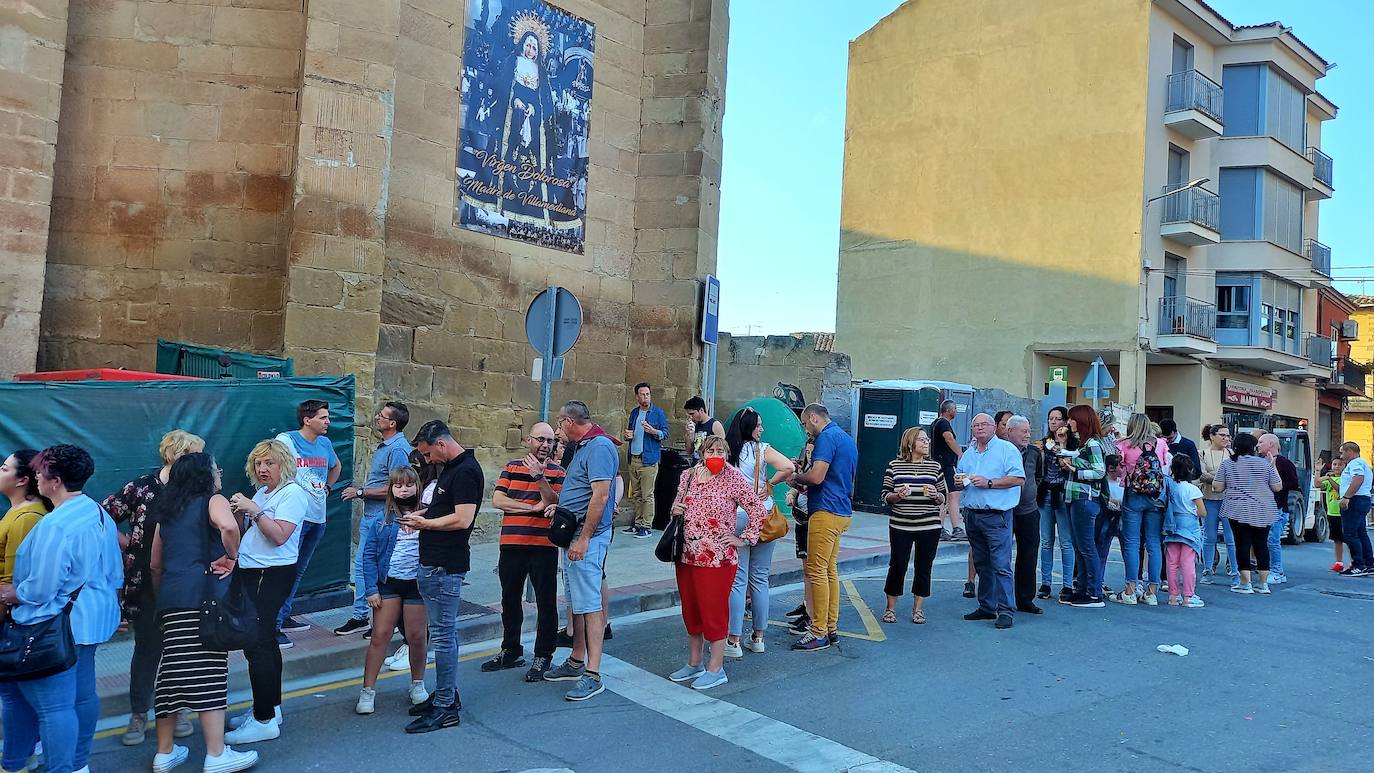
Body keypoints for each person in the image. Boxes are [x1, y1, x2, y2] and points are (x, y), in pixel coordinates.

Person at [0, 444, 122, 773]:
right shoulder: (97, 512)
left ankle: (61, 768)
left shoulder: (56, 525)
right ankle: (78, 764)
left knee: (54, 707)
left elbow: (40, 589)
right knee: (82, 695)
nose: (36, 478)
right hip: (94, 618)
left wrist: (12, 594)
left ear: (55, 481)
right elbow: (114, 570)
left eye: (40, 473)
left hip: (60, 622)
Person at [147, 453, 257, 773]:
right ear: (204, 475)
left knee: (170, 677)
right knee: (208, 672)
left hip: (171, 598)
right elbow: (227, 526)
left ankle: (164, 753)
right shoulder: (213, 500)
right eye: (215, 468)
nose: (219, 473)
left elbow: (156, 563)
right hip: (203, 599)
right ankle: (217, 754)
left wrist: (166, 594)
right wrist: (232, 556)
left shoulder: (167, 510)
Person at [103, 429, 205, 746]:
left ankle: (180, 708)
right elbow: (103, 514)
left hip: (184, 581)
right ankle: (138, 713)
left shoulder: (197, 489)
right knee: (146, 649)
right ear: (173, 455)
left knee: (182, 649)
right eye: (192, 454)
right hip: (146, 582)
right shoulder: (143, 487)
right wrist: (125, 545)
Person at [224, 439, 309, 745]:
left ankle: (264, 720)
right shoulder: (264, 492)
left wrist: (254, 511)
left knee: (258, 643)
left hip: (270, 575)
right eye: (258, 463)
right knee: (263, 642)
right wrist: (240, 513)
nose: (262, 469)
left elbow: (279, 536)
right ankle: (270, 708)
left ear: (283, 464)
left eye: (269, 463)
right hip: (253, 572)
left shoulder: (292, 494)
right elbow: (253, 534)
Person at [666, 436, 768, 689]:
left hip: (717, 558)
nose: (715, 454)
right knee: (691, 610)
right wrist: (675, 510)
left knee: (714, 611)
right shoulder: (688, 475)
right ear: (702, 452)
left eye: (721, 451)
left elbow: (757, 509)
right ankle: (694, 662)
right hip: (686, 553)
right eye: (711, 450)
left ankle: (716, 667)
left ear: (727, 454)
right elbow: (678, 504)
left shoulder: (732, 477)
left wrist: (743, 538)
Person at [405, 421, 483, 731]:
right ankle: (446, 695)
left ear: (441, 444)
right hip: (435, 563)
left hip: (444, 566)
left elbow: (463, 519)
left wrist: (425, 525)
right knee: (442, 634)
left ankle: (445, 705)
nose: (426, 461)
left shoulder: (464, 471)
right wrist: (420, 516)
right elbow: (443, 509)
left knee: (443, 637)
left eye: (427, 454)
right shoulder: (451, 468)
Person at [542, 401, 617, 700]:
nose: (559, 431)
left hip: (586, 539)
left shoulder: (598, 447)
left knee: (590, 606)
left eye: (559, 425)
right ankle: (576, 660)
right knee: (578, 603)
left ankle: (593, 672)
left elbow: (600, 496)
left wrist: (584, 538)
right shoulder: (586, 447)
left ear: (568, 421)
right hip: (573, 535)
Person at [482, 423, 565, 681]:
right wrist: (530, 509)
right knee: (509, 600)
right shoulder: (511, 467)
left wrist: (540, 478)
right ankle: (511, 650)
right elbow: (498, 500)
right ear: (529, 440)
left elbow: (553, 502)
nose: (545, 445)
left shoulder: (558, 472)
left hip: (543, 546)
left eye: (550, 441)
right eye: (541, 439)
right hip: (512, 544)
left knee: (546, 604)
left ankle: (543, 655)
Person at [355, 465, 430, 715]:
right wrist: (370, 590)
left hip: (416, 585)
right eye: (398, 485)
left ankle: (417, 684)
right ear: (391, 489)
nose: (404, 489)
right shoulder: (382, 521)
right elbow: (367, 556)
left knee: (417, 637)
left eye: (409, 484)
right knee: (380, 635)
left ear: (417, 486)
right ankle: (368, 691)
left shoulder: (428, 518)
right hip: (388, 584)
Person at [336, 401, 413, 636]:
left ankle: (376, 619)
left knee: (372, 568)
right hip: (372, 515)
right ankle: (362, 616)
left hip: (382, 516)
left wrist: (360, 492)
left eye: (382, 415)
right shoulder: (386, 446)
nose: (377, 417)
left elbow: (398, 486)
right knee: (363, 567)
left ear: (393, 423)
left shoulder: (398, 449)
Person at [724, 408, 794, 656]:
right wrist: (770, 484)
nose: (761, 429)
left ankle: (733, 640)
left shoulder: (727, 451)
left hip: (737, 516)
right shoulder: (762, 449)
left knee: (738, 580)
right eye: (759, 425)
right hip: (762, 514)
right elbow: (788, 467)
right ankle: (759, 637)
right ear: (749, 428)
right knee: (760, 578)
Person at [789, 403, 858, 650]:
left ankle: (818, 631)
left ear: (815, 418)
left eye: (806, 423)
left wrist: (796, 477)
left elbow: (817, 476)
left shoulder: (826, 438)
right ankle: (830, 627)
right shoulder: (846, 438)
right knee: (829, 571)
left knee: (816, 571)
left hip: (825, 511)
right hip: (841, 510)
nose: (806, 429)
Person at [274, 400, 342, 644]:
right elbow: (273, 468)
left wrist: (329, 487)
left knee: (298, 570)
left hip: (317, 516)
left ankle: (283, 615)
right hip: (294, 518)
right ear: (307, 420)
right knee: (283, 569)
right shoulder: (287, 441)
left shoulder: (325, 443)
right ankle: (273, 625)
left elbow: (336, 466)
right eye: (323, 418)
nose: (328, 422)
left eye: (328, 417)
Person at [955, 414, 1025, 629]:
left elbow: (1018, 479)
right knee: (982, 564)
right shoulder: (969, 452)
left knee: (1001, 565)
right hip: (973, 514)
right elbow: (959, 478)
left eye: (983, 425)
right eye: (975, 425)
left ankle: (1006, 611)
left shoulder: (1006, 450)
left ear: (994, 427)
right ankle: (986, 606)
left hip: (997, 516)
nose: (979, 429)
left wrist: (990, 482)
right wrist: (959, 480)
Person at [880, 427, 947, 625]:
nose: (927, 443)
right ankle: (890, 608)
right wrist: (897, 495)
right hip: (901, 524)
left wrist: (936, 495)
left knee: (924, 567)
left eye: (927, 440)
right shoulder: (894, 466)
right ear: (910, 443)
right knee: (898, 565)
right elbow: (885, 496)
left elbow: (943, 496)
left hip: (929, 525)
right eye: (922, 440)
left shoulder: (935, 467)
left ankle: (918, 609)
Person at [1108, 414, 1169, 606]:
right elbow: (1164, 466)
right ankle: (1152, 592)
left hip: (1133, 495)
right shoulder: (1160, 443)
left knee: (1132, 542)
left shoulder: (1124, 444)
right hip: (1156, 497)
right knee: (1154, 543)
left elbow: (1117, 469)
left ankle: (1131, 590)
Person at [1212, 433, 1282, 594]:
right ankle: (1263, 584)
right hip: (1264, 509)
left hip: (1238, 509)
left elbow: (1218, 487)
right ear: (1252, 447)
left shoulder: (1228, 464)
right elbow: (1277, 486)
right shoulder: (1264, 464)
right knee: (1261, 544)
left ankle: (1245, 583)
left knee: (1242, 544)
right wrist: (1272, 465)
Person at [1061, 405, 1108, 608]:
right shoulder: (1084, 444)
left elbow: (1099, 471)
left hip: (1085, 499)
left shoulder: (1092, 444)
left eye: (1072, 419)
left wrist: (1075, 469)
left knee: (1087, 547)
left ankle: (1094, 592)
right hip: (1077, 498)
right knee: (1081, 547)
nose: (1068, 423)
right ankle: (1082, 589)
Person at [622, 382, 669, 539]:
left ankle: (647, 526)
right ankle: (638, 523)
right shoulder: (635, 413)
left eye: (647, 394)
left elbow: (665, 433)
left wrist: (654, 431)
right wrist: (627, 436)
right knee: (636, 493)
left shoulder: (658, 413)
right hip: (633, 457)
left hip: (648, 459)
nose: (645, 397)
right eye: (642, 394)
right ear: (637, 396)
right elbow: (629, 432)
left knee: (647, 494)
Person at [1037, 410, 1074, 600]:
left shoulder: (1073, 444)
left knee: (1066, 541)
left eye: (1057, 419)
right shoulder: (1043, 444)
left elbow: (1065, 464)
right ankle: (1045, 583)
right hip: (1045, 493)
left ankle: (1067, 584)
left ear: (1066, 422)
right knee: (1046, 541)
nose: (1053, 422)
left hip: (1064, 494)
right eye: (1050, 418)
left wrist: (1062, 443)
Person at [1007, 416, 1042, 614]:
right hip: (1005, 510)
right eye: (1023, 431)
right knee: (1001, 556)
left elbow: (1039, 476)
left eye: (1029, 430)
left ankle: (1026, 599)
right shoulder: (1001, 450)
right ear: (1010, 431)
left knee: (1029, 555)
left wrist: (1030, 492)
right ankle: (998, 597)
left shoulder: (1035, 453)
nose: (1028, 434)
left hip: (1029, 510)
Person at [1197, 424, 1239, 588]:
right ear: (1212, 436)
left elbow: (1235, 475)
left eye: (1228, 436)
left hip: (1229, 500)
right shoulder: (1203, 453)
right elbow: (1201, 475)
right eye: (1222, 435)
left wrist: (1214, 476)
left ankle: (1235, 572)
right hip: (1209, 499)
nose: (1226, 438)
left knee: (1231, 538)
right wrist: (1222, 477)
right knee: (1209, 537)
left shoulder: (1231, 454)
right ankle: (1207, 570)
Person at [1162, 455, 1205, 608]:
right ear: (1190, 470)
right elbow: (1202, 512)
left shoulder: (1170, 487)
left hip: (1171, 526)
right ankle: (1188, 595)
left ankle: (1173, 596)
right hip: (1189, 528)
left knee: (1171, 563)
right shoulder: (1192, 489)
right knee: (1187, 563)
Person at [0, 450, 49, 584]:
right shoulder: (18, 509)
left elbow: (12, 581)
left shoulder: (27, 518)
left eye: (4, 469)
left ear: (22, 480)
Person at [1258, 433, 1299, 585]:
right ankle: (1269, 569)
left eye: (1261, 442)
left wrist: (1276, 486)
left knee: (1272, 541)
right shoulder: (1260, 461)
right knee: (1265, 541)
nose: (1258, 445)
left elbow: (1294, 483)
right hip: (1263, 508)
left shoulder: (1284, 463)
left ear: (1271, 444)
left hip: (1278, 508)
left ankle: (1277, 571)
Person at [783, 438, 815, 634]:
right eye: (808, 452)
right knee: (806, 569)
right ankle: (807, 607)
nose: (810, 455)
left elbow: (812, 485)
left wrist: (796, 484)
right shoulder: (805, 466)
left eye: (813, 452)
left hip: (814, 520)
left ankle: (813, 615)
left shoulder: (819, 469)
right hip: (802, 519)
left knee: (813, 570)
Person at [929, 400, 966, 541]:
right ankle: (944, 528)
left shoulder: (934, 424)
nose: (956, 411)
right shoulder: (944, 423)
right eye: (955, 409)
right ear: (949, 410)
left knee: (951, 495)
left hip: (940, 465)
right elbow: (949, 438)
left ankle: (951, 527)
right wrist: (960, 454)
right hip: (944, 466)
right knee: (949, 496)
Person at [1336, 442, 1373, 576]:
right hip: (1362, 499)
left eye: (1342, 452)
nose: (1341, 456)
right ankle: (1369, 563)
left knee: (1350, 534)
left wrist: (1347, 497)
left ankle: (1359, 565)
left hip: (1355, 500)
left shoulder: (1355, 464)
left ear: (1350, 451)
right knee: (1361, 532)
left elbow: (1358, 478)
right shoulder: (1362, 463)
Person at [1323, 456, 1347, 572]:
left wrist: (1329, 479)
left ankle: (1355, 562)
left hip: (1342, 514)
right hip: (1332, 512)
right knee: (1337, 539)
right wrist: (1318, 471)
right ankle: (1339, 562)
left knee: (1348, 539)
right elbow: (1318, 484)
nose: (1336, 466)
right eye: (1334, 464)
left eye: (1340, 464)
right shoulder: (1329, 478)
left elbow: (1339, 489)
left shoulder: (1345, 478)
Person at [683, 395, 725, 460]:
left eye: (692, 414)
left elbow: (723, 449)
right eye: (689, 415)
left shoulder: (715, 425)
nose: (690, 417)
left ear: (701, 410)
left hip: (710, 464)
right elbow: (689, 451)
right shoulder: (693, 425)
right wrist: (689, 435)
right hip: (696, 464)